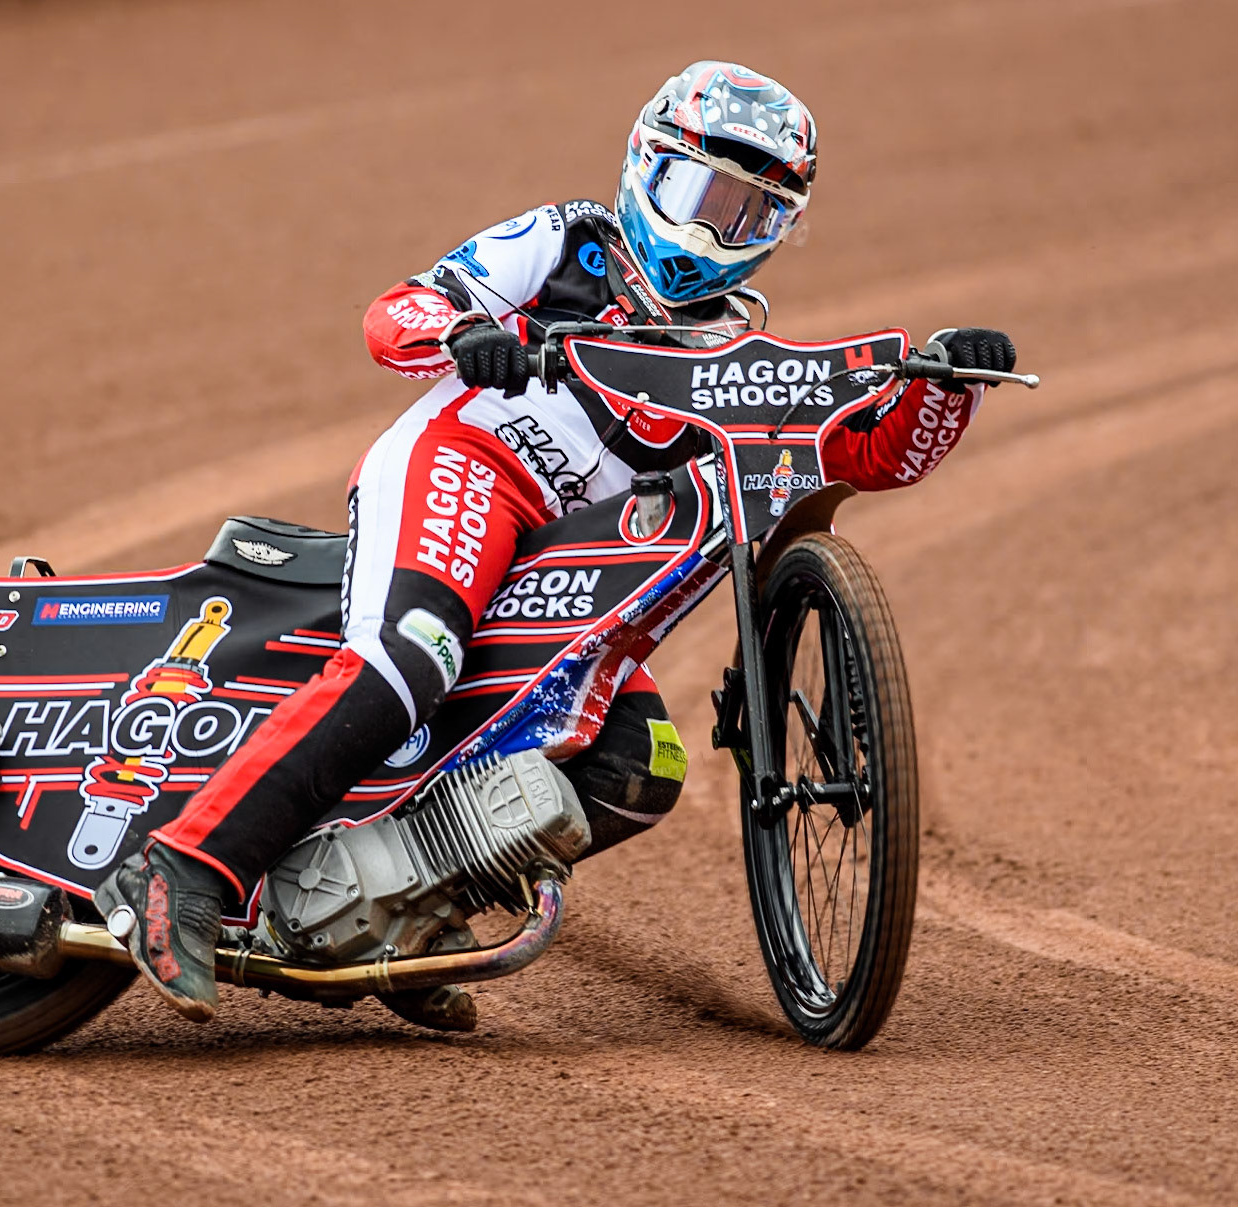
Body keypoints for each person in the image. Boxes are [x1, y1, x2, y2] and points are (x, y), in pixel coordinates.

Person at [96, 61, 1017, 1027]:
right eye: (699, 193)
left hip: (567, 554)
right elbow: (395, 310)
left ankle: (396, 921)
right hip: (470, 463)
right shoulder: (567, 238)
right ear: (645, 168)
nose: (712, 230)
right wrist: (465, 333)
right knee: (411, 659)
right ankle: (180, 873)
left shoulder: (739, 347)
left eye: (750, 215)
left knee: (640, 757)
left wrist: (944, 386)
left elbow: (860, 454)